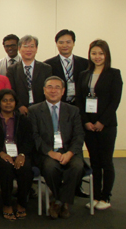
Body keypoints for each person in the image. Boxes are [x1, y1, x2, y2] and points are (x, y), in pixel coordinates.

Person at [29, 76, 85, 219]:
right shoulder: (34, 110)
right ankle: (63, 202)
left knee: (77, 167)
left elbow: (79, 136)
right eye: (49, 87)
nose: (53, 90)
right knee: (50, 167)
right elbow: (34, 136)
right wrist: (50, 152)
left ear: (63, 91)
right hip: (47, 152)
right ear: (44, 90)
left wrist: (70, 153)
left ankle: (59, 201)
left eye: (57, 87)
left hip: (69, 151)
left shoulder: (73, 110)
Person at [76, 40, 122, 210]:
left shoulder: (114, 74)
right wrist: (86, 121)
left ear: (106, 55)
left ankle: (106, 197)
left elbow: (114, 102)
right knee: (94, 161)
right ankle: (95, 196)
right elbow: (80, 100)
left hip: (107, 125)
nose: (97, 57)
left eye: (101, 53)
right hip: (88, 124)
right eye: (94, 53)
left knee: (106, 162)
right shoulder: (84, 74)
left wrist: (102, 122)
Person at [0, 89, 34, 220]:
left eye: (11, 100)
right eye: (4, 100)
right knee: (6, 168)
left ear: (15, 103)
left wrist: (22, 154)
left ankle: (21, 203)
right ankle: (7, 204)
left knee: (25, 168)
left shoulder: (23, 120)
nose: (8, 103)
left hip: (19, 153)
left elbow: (29, 141)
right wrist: (1, 153)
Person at [7, 35, 53, 116]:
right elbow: (11, 90)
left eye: (32, 46)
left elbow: (49, 89)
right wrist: (19, 106)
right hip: (19, 111)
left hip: (42, 110)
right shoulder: (12, 69)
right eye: (25, 46)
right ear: (19, 49)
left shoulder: (46, 68)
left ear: (36, 49)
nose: (29, 49)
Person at [45, 29, 89, 104]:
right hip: (58, 104)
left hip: (80, 104)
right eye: (61, 42)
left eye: (68, 42)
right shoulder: (48, 65)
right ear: (56, 44)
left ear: (73, 43)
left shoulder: (85, 63)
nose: (65, 45)